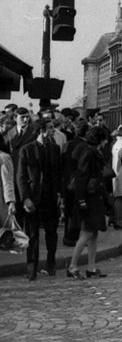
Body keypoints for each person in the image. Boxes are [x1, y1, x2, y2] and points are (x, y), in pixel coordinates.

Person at [16, 118, 64, 279]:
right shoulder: (27, 150)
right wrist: (25, 198)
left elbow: (58, 174)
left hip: (50, 198)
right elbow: (21, 177)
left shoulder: (55, 148)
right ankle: (32, 269)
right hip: (33, 198)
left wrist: (59, 193)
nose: (53, 131)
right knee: (32, 235)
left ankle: (51, 265)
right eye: (50, 128)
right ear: (41, 130)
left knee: (52, 233)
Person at [67, 125, 111, 280]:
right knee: (86, 233)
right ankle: (72, 266)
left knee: (94, 233)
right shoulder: (89, 153)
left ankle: (91, 267)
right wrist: (81, 200)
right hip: (89, 197)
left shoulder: (90, 151)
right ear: (101, 140)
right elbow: (81, 177)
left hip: (94, 196)